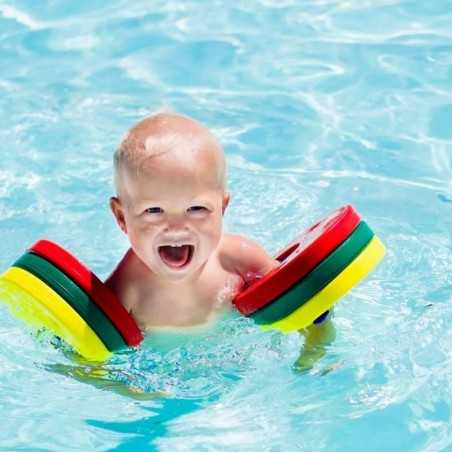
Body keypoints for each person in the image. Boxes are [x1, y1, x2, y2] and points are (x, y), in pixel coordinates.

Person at [105, 112, 280, 331]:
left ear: (222, 208)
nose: (177, 227)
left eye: (196, 208)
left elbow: (294, 297)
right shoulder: (127, 286)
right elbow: (92, 343)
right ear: (122, 217)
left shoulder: (239, 260)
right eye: (154, 210)